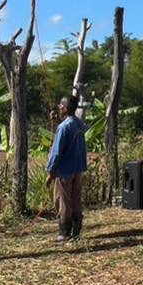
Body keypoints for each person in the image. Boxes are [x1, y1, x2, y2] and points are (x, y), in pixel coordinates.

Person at [47, 96, 88, 243]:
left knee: (63, 201)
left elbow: (56, 151)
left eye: (61, 105)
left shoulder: (64, 127)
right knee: (76, 199)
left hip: (64, 170)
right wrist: (54, 123)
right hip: (78, 168)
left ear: (65, 108)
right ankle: (76, 230)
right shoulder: (79, 124)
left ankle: (64, 232)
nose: (59, 107)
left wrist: (51, 171)